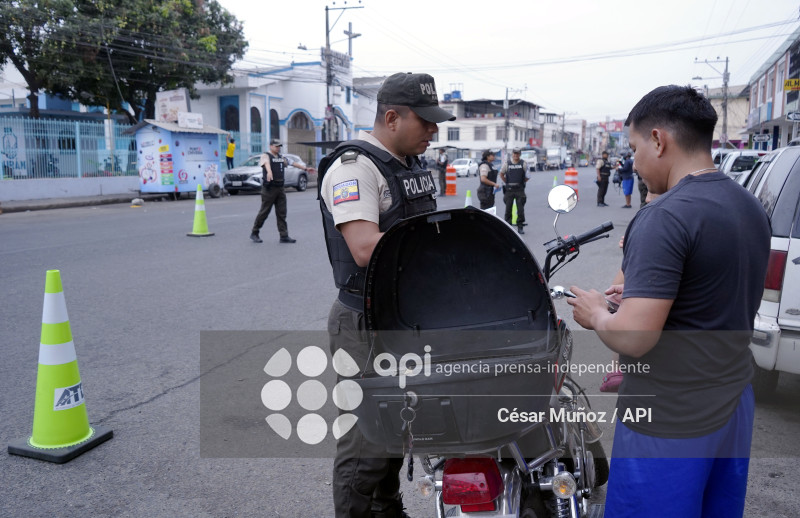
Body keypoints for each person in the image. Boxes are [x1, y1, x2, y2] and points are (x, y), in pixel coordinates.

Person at [567, 85, 770, 517]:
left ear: (659, 140)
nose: (634, 162)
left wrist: (598, 314)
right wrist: (642, 297)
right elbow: (712, 293)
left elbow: (634, 338)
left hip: (670, 416)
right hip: (733, 403)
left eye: (636, 147)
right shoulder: (748, 205)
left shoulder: (663, 215)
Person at [318, 71, 454, 518]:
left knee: (396, 431)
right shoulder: (354, 168)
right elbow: (362, 247)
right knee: (364, 444)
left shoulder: (410, 166)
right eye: (426, 122)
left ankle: (387, 510)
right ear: (392, 117)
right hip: (364, 324)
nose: (434, 130)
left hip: (403, 319)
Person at [249, 138, 310, 244]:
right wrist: (269, 172)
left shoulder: (281, 157)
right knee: (264, 212)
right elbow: (266, 163)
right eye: (276, 146)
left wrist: (305, 168)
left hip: (280, 188)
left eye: (279, 146)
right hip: (269, 189)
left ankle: (284, 236)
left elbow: (292, 163)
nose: (278, 148)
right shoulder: (266, 156)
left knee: (282, 213)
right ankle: (255, 232)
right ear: (270, 146)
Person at [499, 147, 528, 234]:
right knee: (508, 209)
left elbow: (528, 176)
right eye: (514, 153)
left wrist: (522, 182)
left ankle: (520, 227)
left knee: (520, 209)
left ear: (520, 154)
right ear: (512, 154)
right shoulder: (507, 163)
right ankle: (508, 227)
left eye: (517, 153)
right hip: (509, 190)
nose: (516, 155)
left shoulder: (523, 163)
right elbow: (501, 174)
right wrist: (507, 182)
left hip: (520, 190)